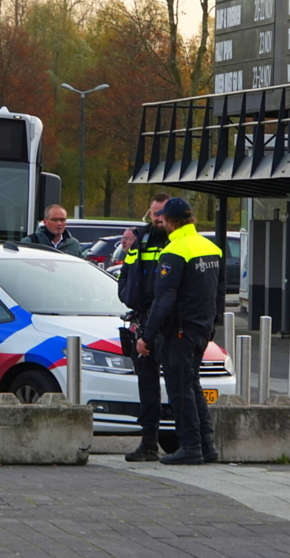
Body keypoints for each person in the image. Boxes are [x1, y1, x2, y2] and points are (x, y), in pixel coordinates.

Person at [137, 197, 226, 465]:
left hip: (179, 331)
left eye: (162, 219)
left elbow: (164, 299)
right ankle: (207, 445)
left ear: (169, 221)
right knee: (192, 385)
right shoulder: (211, 248)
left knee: (179, 389)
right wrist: (213, 324)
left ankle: (190, 447)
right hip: (202, 329)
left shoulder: (175, 250)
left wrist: (147, 336)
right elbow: (219, 293)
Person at [116, 193, 170, 462]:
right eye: (154, 213)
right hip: (143, 321)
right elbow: (126, 275)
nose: (158, 218)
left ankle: (189, 443)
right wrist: (128, 296)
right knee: (147, 386)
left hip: (170, 324)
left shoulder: (176, 242)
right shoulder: (140, 241)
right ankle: (149, 442)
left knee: (179, 385)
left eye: (162, 213)